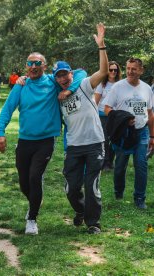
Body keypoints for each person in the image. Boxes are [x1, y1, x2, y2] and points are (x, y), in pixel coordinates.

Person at [0, 52, 86, 235]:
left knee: (35, 177)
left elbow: (81, 73)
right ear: (26, 66)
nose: (33, 66)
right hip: (25, 140)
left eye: (37, 63)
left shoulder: (52, 82)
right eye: (30, 63)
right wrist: (0, 133)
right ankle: (35, 201)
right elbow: (7, 109)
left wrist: (68, 90)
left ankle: (32, 218)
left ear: (44, 66)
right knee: (24, 182)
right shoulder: (21, 85)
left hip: (46, 140)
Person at [55, 23, 108, 234]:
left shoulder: (85, 84)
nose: (63, 78)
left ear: (71, 73)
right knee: (71, 188)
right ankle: (80, 210)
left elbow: (104, 71)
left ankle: (93, 223)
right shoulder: (56, 98)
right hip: (74, 147)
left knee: (92, 184)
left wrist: (101, 45)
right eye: (58, 76)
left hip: (95, 143)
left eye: (65, 74)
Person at [104, 57, 154, 209]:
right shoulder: (118, 87)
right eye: (128, 68)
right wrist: (123, 119)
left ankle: (139, 198)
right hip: (123, 133)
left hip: (142, 132)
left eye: (134, 68)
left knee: (141, 164)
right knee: (120, 166)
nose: (130, 71)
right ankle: (118, 191)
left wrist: (152, 136)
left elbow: (150, 113)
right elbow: (106, 109)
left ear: (141, 70)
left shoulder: (147, 88)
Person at [94, 61, 122, 170]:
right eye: (111, 70)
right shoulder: (102, 84)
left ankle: (110, 161)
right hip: (103, 115)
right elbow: (95, 101)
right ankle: (105, 162)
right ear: (107, 71)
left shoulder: (121, 84)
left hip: (116, 116)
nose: (113, 72)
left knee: (115, 139)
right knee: (105, 139)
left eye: (115, 70)